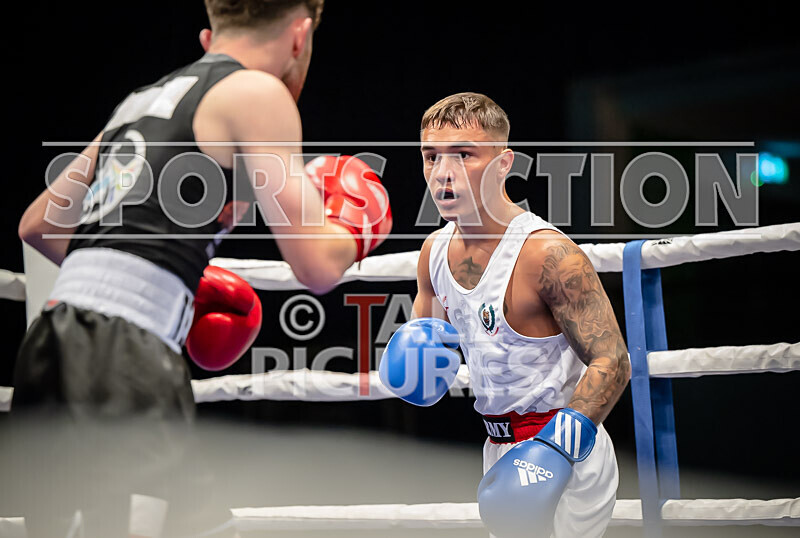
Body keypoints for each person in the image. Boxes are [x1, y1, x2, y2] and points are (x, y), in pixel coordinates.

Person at [10, 1, 391, 535]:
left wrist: (159, 275)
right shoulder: (258, 93)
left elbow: (39, 226)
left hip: (52, 345)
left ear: (212, 34)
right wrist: (359, 222)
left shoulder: (139, 101)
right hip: (119, 360)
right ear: (300, 35)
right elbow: (317, 265)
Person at [380, 92, 630, 537]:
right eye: (431, 157)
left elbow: (613, 361)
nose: (443, 173)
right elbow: (425, 371)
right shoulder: (432, 253)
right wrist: (412, 364)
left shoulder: (548, 254)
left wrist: (556, 448)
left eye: (464, 155)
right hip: (497, 446)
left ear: (502, 162)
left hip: (568, 450)